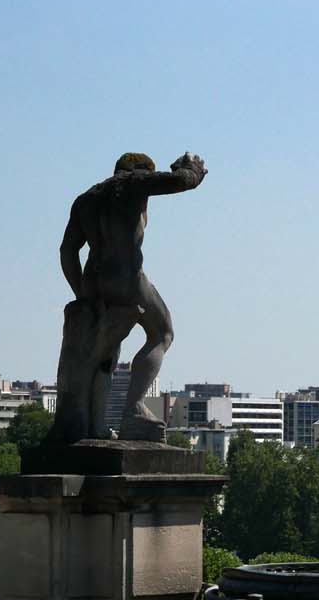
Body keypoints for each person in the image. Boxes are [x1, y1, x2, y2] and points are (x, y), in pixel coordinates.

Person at [49, 150, 207, 444]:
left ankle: (95, 427)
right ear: (142, 172)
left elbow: (67, 251)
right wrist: (193, 169)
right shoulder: (135, 183)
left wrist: (82, 294)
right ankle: (133, 407)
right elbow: (183, 181)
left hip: (93, 279)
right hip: (126, 276)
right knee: (162, 332)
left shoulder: (86, 199)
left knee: (106, 352)